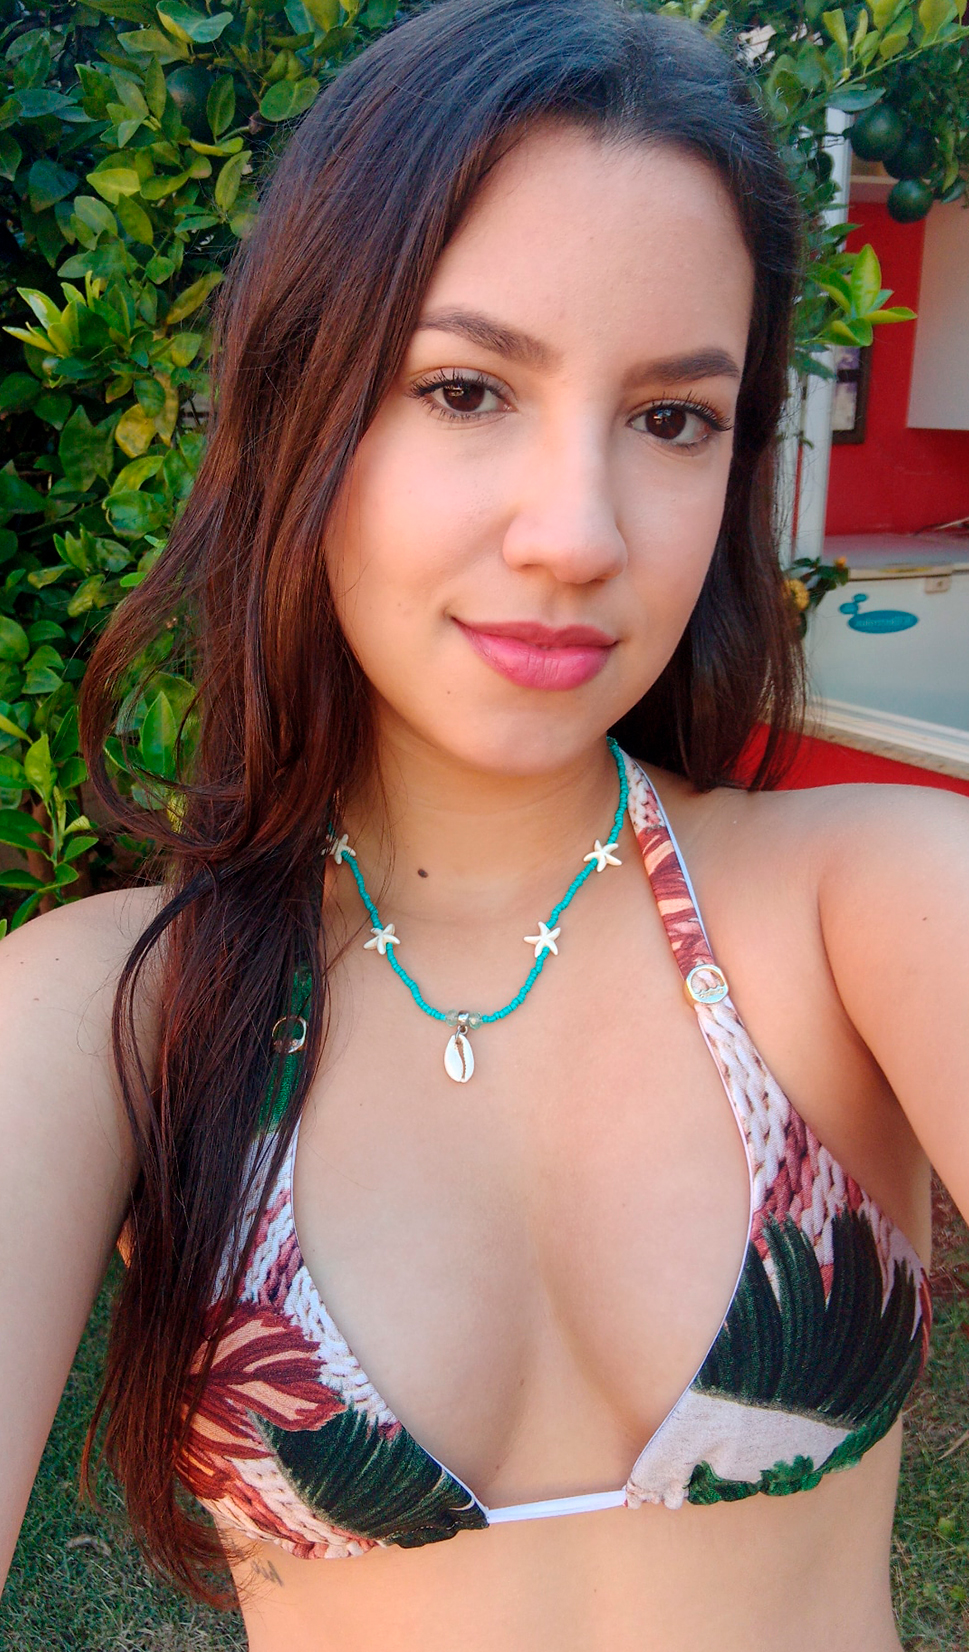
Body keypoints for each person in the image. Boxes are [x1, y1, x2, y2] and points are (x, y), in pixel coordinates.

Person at [1, 0, 967, 1647]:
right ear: (301, 409)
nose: (575, 533)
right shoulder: (115, 1016)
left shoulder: (867, 907)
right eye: (463, 389)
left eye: (671, 418)